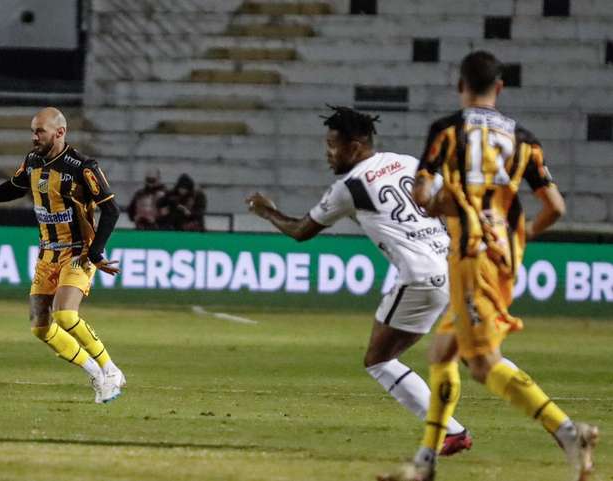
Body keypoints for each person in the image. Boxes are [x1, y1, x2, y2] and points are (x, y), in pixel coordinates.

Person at [378, 51, 598, 481]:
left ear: (460, 86)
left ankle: (571, 433)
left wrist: (439, 200)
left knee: (481, 364)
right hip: (502, 252)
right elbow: (554, 206)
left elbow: (422, 193)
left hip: (470, 254)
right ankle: (426, 461)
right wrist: (522, 235)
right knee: (442, 352)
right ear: (499, 88)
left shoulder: (447, 132)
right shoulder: (525, 140)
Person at [246, 105, 474, 456]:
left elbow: (300, 231)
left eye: (332, 145)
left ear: (355, 146)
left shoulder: (350, 186)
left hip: (420, 277)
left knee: (379, 359)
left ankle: (450, 430)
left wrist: (266, 211)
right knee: (467, 355)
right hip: (453, 267)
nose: (328, 153)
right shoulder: (409, 162)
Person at [0, 107, 127, 404]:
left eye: (39, 131)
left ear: (60, 133)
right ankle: (95, 372)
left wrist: (95, 252)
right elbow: (12, 188)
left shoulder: (83, 167)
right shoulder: (32, 162)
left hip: (77, 252)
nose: (34, 137)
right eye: (33, 131)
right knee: (40, 327)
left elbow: (111, 209)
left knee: (66, 314)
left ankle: (110, 369)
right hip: (47, 255)